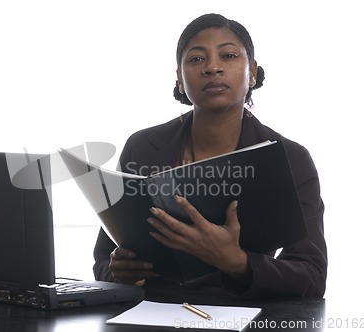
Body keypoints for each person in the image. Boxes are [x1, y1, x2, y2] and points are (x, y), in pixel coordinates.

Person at [93, 13, 327, 300]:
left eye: (228, 56)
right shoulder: (142, 147)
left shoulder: (291, 157)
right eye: (196, 59)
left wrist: (236, 262)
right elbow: (105, 260)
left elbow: (312, 276)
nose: (212, 68)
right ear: (179, 79)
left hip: (243, 318)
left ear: (252, 72)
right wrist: (121, 272)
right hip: (152, 315)